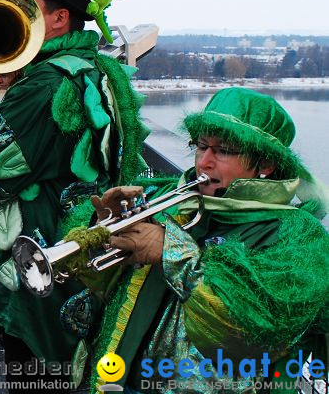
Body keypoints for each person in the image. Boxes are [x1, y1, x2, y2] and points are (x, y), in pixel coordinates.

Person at [0, 0, 148, 392]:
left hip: (38, 266)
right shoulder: (89, 68)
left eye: (30, 6)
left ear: (59, 18)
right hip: (68, 257)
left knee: (30, 372)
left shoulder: (48, 82)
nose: (18, 13)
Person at [81, 88, 329, 393]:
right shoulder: (169, 196)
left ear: (265, 164)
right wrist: (104, 229)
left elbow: (255, 331)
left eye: (223, 150)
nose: (204, 162)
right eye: (201, 146)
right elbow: (101, 286)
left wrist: (172, 252)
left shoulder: (297, 234)